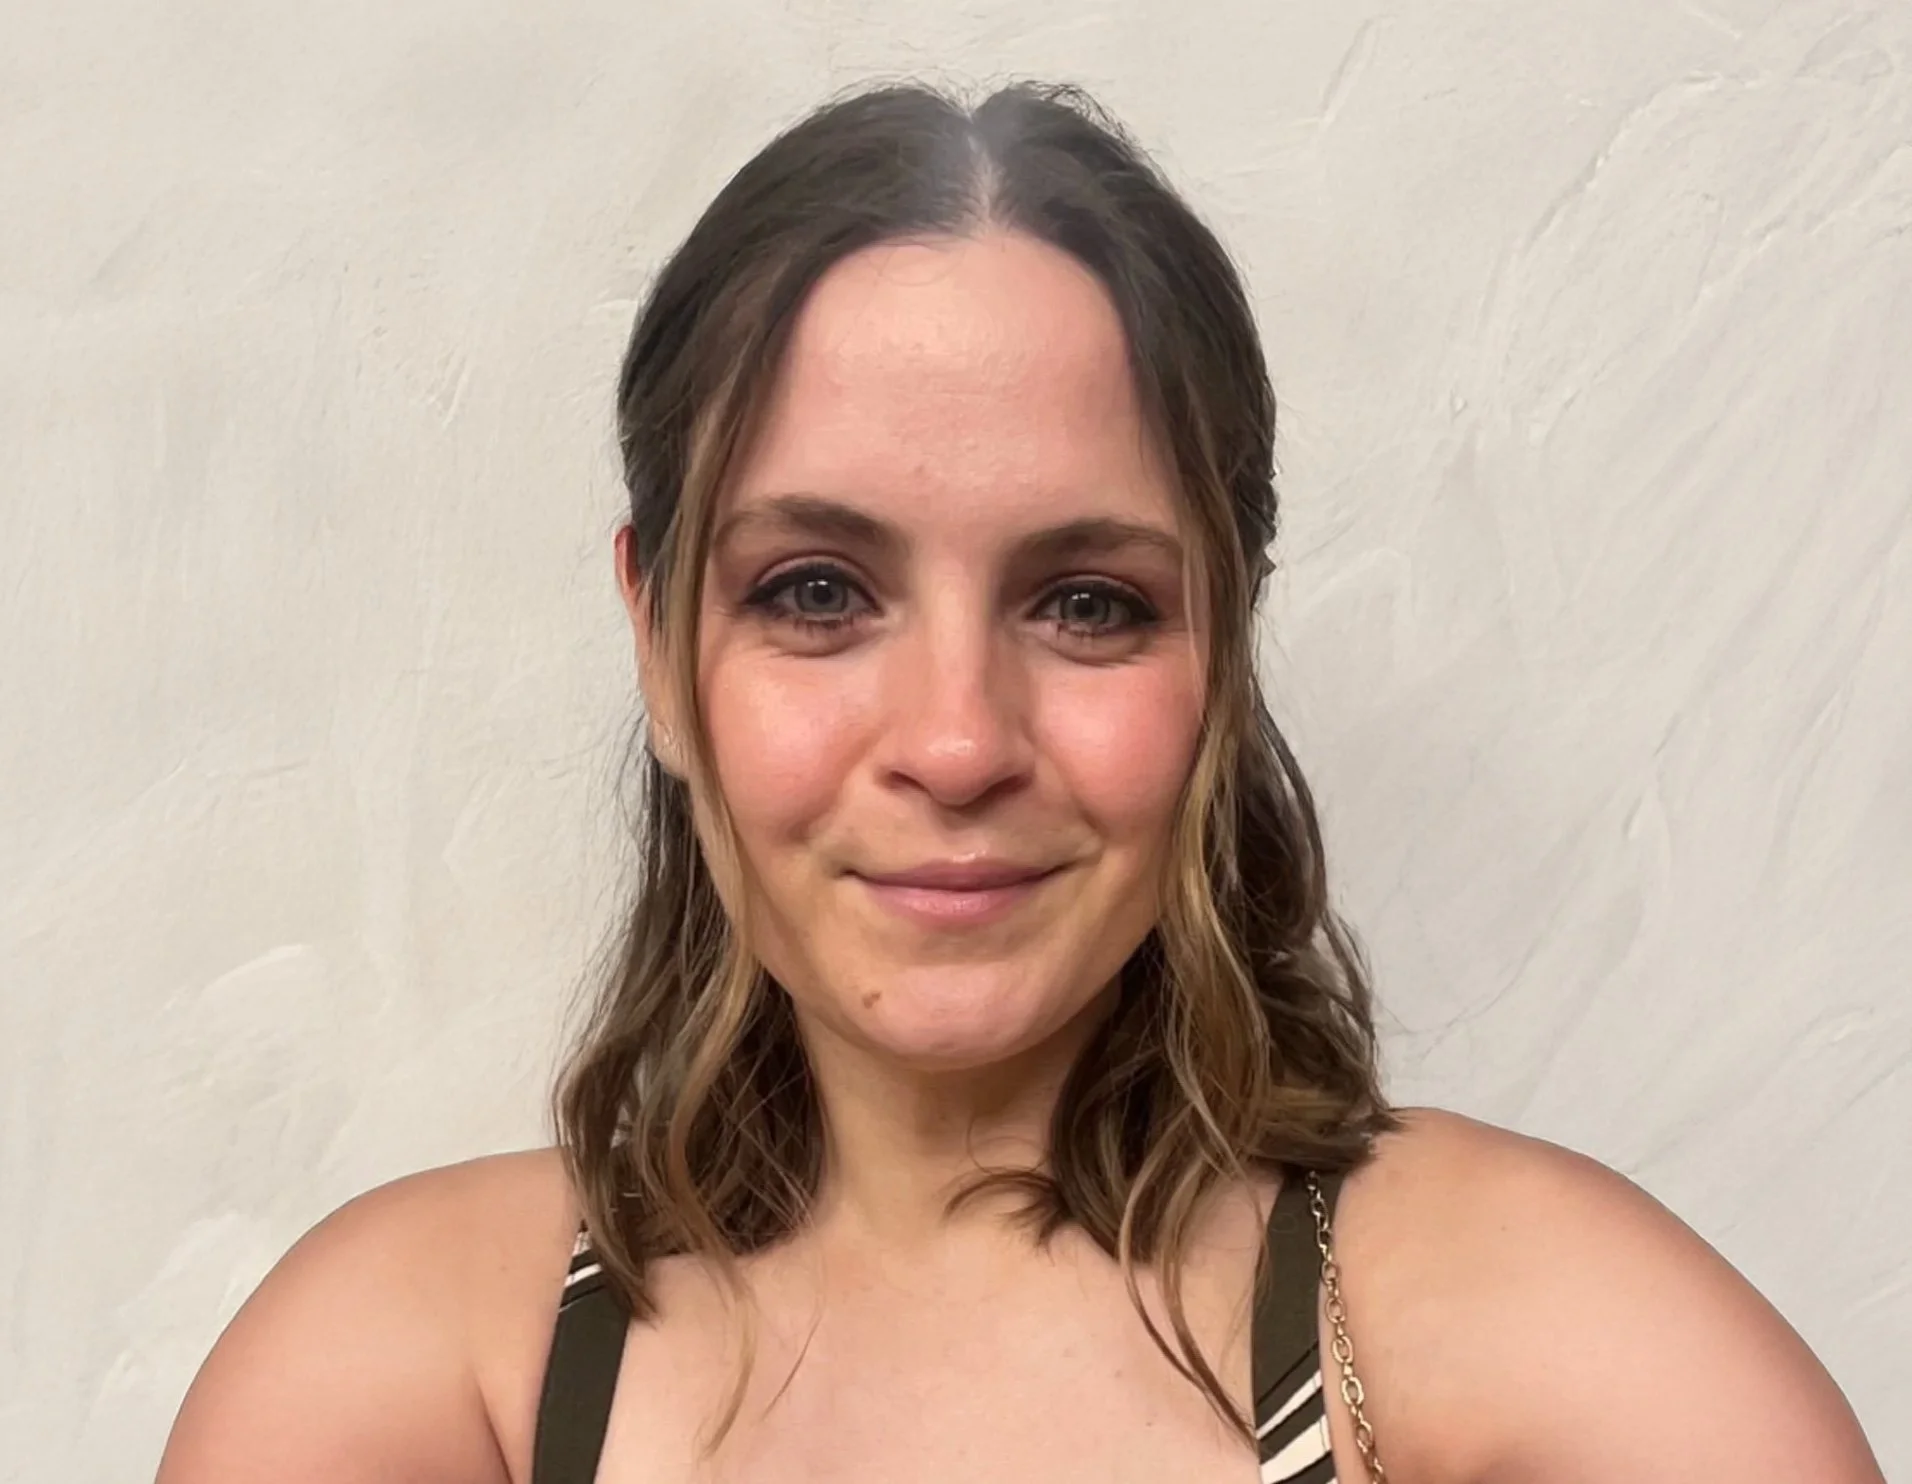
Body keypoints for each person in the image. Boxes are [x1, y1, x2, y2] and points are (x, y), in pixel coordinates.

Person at [155, 81, 1885, 1484]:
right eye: (816, 593)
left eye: (1088, 605)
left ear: (1224, 648)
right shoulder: (417, 1379)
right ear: (659, 649)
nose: (960, 741)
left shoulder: (1562, 1360)